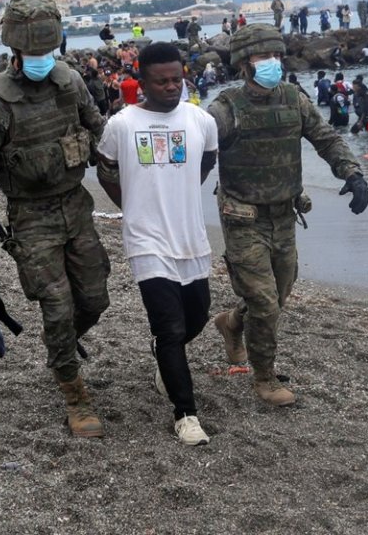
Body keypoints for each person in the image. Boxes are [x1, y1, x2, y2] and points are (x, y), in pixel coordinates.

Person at [0, 0, 109, 438]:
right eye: (32, 51)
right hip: (31, 217)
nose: (41, 58)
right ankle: (75, 395)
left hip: (76, 207)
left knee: (94, 300)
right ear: (15, 48)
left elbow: (101, 133)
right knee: (57, 307)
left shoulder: (70, 82)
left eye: (47, 50)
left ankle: (60, 345)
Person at [207, 25, 368, 406]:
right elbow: (198, 150)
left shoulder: (294, 99)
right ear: (245, 63)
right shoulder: (225, 109)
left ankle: (231, 323)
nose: (273, 63)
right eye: (264, 57)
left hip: (285, 215)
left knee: (277, 297)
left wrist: (352, 173)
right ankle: (264, 378)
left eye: (277, 56)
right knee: (264, 302)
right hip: (243, 217)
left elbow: (326, 138)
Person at [96, 42, 218, 446]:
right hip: (146, 239)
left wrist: (182, 191)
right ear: (142, 83)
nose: (171, 87)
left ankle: (166, 360)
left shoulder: (201, 120)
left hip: (190, 236)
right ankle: (186, 415)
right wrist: (132, 207)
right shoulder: (122, 125)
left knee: (197, 317)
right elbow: (106, 170)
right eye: (161, 81)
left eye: (176, 79)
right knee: (168, 327)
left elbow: (208, 160)